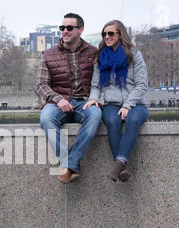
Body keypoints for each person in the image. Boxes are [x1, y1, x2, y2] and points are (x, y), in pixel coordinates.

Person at [38, 13, 101, 184]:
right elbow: (41, 84)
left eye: (69, 28)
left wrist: (94, 99)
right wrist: (58, 99)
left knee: (95, 115)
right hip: (57, 102)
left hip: (84, 102)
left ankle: (69, 165)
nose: (64, 31)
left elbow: (100, 81)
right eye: (62, 28)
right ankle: (70, 164)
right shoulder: (48, 54)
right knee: (46, 118)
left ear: (80, 30)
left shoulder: (94, 53)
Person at [86, 20, 148, 182]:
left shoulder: (134, 55)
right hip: (111, 104)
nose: (107, 36)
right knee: (112, 121)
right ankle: (123, 168)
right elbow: (96, 86)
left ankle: (119, 163)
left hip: (136, 104)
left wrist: (128, 105)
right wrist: (93, 99)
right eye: (104, 34)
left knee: (132, 119)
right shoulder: (100, 58)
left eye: (111, 33)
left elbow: (142, 85)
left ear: (120, 34)